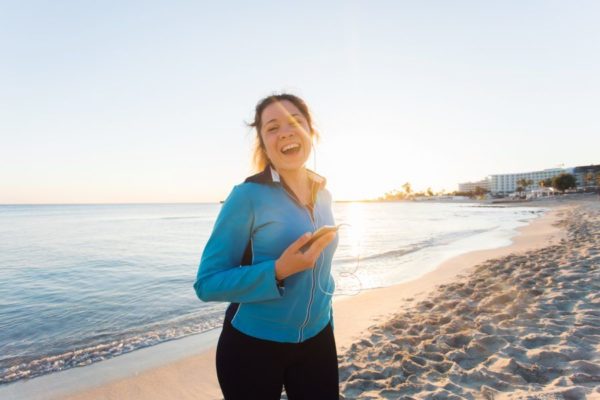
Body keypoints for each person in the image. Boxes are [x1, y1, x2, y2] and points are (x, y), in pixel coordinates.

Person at [194, 93, 339, 399]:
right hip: (252, 346)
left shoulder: (323, 194)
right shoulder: (246, 196)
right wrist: (277, 271)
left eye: (295, 121)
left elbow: (323, 274)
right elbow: (207, 284)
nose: (285, 131)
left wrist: (325, 317)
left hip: (318, 340)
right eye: (272, 127)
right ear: (263, 142)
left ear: (310, 132)